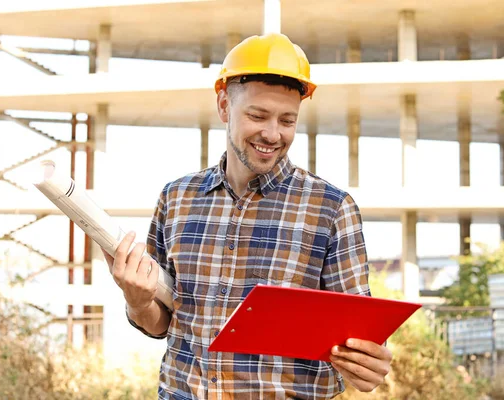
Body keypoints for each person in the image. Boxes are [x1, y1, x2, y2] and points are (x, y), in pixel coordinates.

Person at [102, 33, 393, 399]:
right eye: (257, 116)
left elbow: (361, 344)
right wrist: (138, 301)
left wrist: (369, 364)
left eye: (287, 120)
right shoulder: (176, 198)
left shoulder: (332, 209)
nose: (272, 134)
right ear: (224, 105)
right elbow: (163, 324)